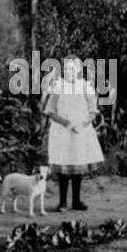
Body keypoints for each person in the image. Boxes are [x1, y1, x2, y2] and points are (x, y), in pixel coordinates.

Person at [42, 55, 105, 211]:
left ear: (78, 70)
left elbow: (92, 111)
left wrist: (82, 124)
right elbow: (50, 111)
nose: (69, 72)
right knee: (64, 166)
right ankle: (62, 202)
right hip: (62, 132)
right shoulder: (58, 86)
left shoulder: (85, 86)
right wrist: (67, 124)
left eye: (72, 69)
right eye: (66, 69)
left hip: (80, 132)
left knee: (78, 166)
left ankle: (76, 201)